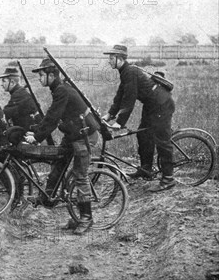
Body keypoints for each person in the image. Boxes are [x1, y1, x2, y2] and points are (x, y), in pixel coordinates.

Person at [25, 58, 100, 235]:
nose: (39, 79)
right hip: (74, 133)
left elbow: (52, 117)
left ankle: (86, 218)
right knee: (58, 163)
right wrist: (36, 132)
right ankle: (47, 198)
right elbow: (51, 115)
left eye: (41, 75)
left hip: (84, 135)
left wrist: (36, 137)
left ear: (52, 75)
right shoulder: (59, 89)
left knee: (80, 176)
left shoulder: (62, 91)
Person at [101, 45, 175, 192]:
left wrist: (119, 123)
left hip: (161, 104)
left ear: (120, 59)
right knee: (143, 134)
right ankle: (146, 169)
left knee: (162, 141)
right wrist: (109, 115)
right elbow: (120, 96)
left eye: (111, 58)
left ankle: (168, 179)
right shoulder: (125, 72)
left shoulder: (130, 72)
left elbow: (129, 99)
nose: (109, 61)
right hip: (152, 105)